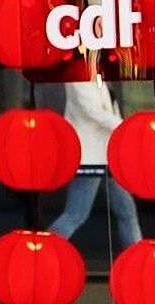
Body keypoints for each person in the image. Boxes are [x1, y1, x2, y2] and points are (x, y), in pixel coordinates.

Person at [48, 69, 142, 254]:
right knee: (76, 214)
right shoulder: (77, 76)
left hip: (106, 154)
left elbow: (108, 109)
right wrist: (124, 126)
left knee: (126, 210)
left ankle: (137, 259)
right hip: (89, 156)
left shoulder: (99, 76)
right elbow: (91, 110)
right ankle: (43, 251)